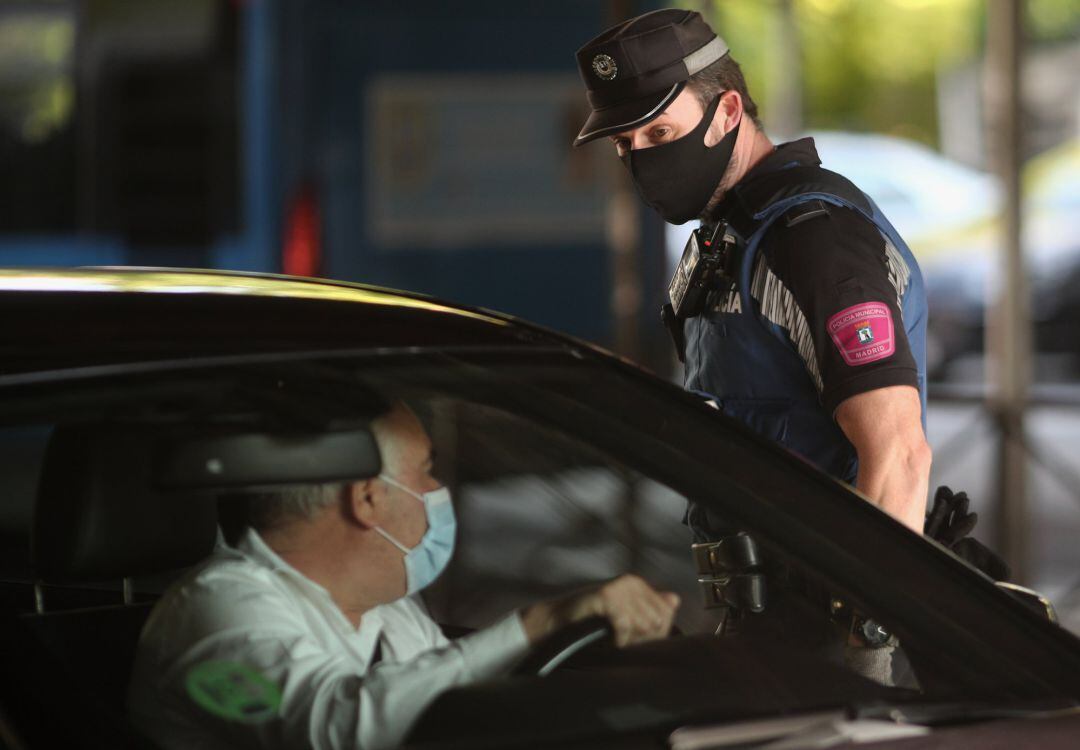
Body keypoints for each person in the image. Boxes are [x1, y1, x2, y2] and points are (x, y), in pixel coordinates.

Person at [127, 402, 679, 749]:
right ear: (367, 498)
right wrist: (539, 623)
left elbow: (462, 706)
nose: (437, 492)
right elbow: (335, 731)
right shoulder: (213, 613)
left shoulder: (386, 612)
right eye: (426, 471)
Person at [572, 9, 931, 535]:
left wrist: (865, 617)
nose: (641, 157)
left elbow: (899, 457)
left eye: (660, 130)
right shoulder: (732, 235)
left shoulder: (812, 240)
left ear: (727, 111)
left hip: (824, 595)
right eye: (625, 144)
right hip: (762, 594)